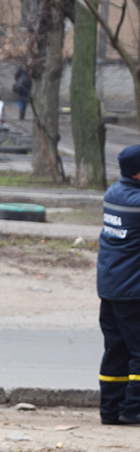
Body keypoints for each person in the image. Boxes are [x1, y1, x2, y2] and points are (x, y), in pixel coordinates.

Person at [97, 145, 140, 425]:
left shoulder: (113, 194)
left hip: (110, 287)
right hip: (133, 292)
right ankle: (132, 408)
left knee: (116, 350)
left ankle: (110, 410)